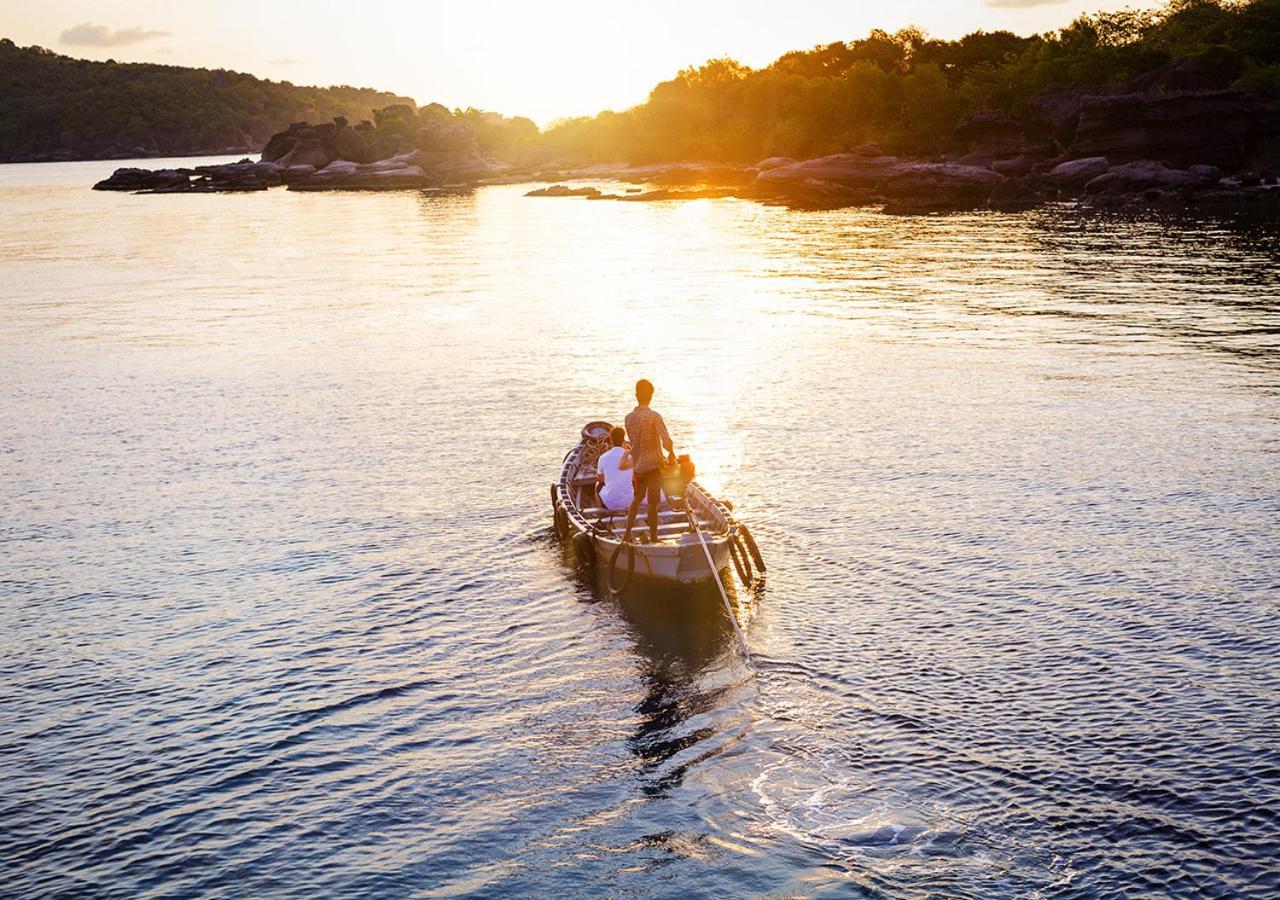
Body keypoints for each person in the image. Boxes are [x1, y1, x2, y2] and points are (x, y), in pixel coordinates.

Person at [623, 378, 676, 544]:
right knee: (653, 503)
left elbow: (633, 442)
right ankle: (654, 538)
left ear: (636, 395)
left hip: (638, 467)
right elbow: (666, 440)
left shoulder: (628, 418)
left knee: (637, 499)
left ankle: (626, 534)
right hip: (653, 467)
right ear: (651, 396)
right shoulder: (654, 417)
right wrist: (672, 453)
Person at [596, 426, 634, 510]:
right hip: (630, 501)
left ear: (611, 440)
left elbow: (601, 480)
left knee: (597, 486)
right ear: (623, 440)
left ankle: (601, 512)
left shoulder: (603, 457)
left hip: (610, 503)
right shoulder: (631, 457)